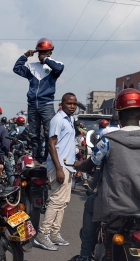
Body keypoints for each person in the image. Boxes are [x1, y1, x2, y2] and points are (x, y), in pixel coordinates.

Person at [66, 88, 140, 261]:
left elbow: (89, 165)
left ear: (118, 115)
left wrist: (77, 166)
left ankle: (85, 256)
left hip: (115, 207)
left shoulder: (108, 141)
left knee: (90, 205)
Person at [34, 93, 77, 251]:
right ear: (62, 104)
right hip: (59, 166)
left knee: (63, 203)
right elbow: (51, 145)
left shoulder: (70, 119)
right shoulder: (57, 119)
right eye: (69, 103)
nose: (72, 106)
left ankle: (54, 233)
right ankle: (42, 234)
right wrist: (58, 168)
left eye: (74, 104)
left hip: (68, 166)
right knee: (56, 201)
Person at [13, 37, 64, 164]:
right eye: (40, 52)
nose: (42, 55)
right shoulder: (31, 67)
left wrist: (46, 60)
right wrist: (25, 56)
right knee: (34, 134)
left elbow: (59, 69)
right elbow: (17, 68)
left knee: (49, 133)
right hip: (32, 105)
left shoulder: (55, 66)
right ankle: (37, 158)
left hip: (46, 104)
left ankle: (47, 157)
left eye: (46, 52)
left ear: (50, 52)